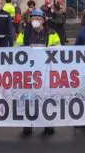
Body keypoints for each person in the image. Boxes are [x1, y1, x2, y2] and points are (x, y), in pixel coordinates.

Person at [15, 9, 61, 137]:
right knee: (29, 98)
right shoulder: (24, 33)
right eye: (33, 18)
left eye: (38, 18)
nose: (36, 21)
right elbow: (16, 49)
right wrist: (25, 49)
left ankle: (48, 123)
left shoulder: (51, 33)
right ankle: (28, 124)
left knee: (46, 98)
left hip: (46, 71)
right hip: (29, 72)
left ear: (43, 20)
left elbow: (59, 50)